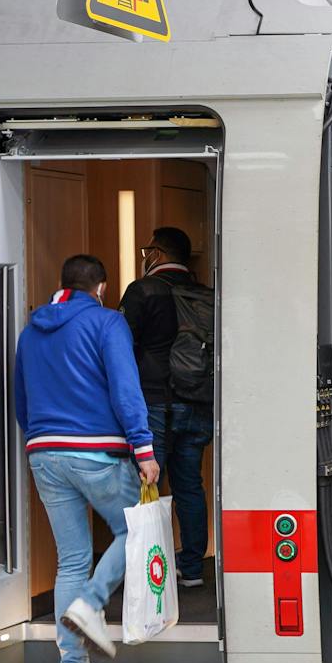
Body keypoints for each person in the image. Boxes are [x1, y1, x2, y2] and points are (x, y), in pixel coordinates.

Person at [14, 255, 160, 663]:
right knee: (133, 530)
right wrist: (144, 448)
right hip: (96, 451)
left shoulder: (30, 331)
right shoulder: (107, 323)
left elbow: (21, 399)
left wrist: (43, 440)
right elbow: (125, 387)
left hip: (44, 453)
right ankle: (92, 604)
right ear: (100, 287)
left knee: (71, 560)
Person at [120, 226, 214, 588]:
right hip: (197, 404)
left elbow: (121, 349)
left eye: (148, 250)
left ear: (156, 253)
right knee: (190, 485)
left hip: (154, 405)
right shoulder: (206, 294)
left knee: (148, 486)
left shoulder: (143, 291)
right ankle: (191, 569)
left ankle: (149, 570)